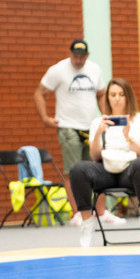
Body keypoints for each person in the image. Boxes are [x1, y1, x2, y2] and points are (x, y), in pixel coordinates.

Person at [69, 78, 140, 247]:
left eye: (121, 94)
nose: (117, 98)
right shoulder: (98, 122)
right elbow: (95, 156)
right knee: (78, 169)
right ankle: (87, 224)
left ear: (128, 97)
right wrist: (97, 134)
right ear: (107, 97)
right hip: (106, 170)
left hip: (130, 171)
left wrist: (128, 137)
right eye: (113, 94)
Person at [34, 39, 108, 221]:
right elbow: (39, 93)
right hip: (68, 127)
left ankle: (101, 212)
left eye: (82, 57)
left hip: (90, 127)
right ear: (70, 54)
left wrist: (106, 116)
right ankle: (78, 214)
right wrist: (45, 118)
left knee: (97, 169)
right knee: (73, 171)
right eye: (75, 56)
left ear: (87, 56)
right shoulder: (58, 70)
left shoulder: (94, 69)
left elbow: (101, 94)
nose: (78, 60)